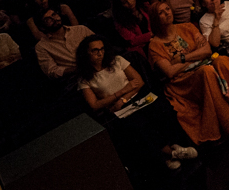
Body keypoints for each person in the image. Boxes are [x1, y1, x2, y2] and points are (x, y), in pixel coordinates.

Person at [74, 35, 197, 167]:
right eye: (95, 50)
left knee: (163, 109)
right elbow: (94, 105)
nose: (100, 53)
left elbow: (139, 82)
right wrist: (121, 92)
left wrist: (123, 98)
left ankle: (172, 150)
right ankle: (170, 153)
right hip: (117, 107)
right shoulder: (85, 78)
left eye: (102, 49)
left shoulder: (117, 60)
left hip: (134, 96)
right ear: (86, 53)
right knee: (138, 124)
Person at [145, 0, 229, 141]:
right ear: (155, 19)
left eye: (167, 9)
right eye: (161, 12)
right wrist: (196, 58)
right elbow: (170, 71)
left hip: (204, 66)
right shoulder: (155, 45)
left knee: (222, 61)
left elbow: (207, 51)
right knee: (207, 71)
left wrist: (182, 58)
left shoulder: (187, 27)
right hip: (183, 81)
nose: (167, 13)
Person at [34, 8, 96, 86]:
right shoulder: (42, 46)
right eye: (48, 19)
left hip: (97, 65)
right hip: (76, 78)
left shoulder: (80, 29)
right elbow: (52, 71)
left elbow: (100, 44)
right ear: (42, 27)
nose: (54, 19)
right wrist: (76, 69)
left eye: (54, 14)